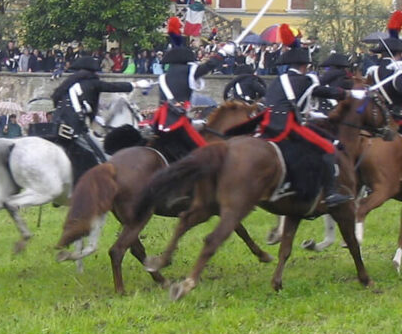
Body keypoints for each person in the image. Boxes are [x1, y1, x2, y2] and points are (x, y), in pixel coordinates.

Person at [251, 25, 360, 206]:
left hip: (267, 124)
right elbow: (326, 91)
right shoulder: (304, 80)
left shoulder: (280, 79)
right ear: (304, 65)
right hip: (288, 125)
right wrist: (351, 94)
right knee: (327, 148)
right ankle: (331, 193)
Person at [51, 55, 149, 183]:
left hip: (59, 125)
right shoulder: (91, 83)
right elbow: (113, 87)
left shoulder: (69, 84)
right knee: (100, 153)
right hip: (74, 127)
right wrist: (135, 84)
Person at [149, 44, 230, 162]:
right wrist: (222, 53)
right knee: (203, 152)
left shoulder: (164, 76)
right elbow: (209, 65)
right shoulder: (187, 71)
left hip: (162, 120)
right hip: (178, 120)